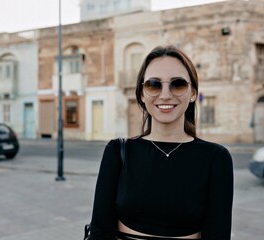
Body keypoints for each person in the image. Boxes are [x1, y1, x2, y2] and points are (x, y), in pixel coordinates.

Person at [90, 45, 234, 239]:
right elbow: (100, 232)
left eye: (178, 84)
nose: (165, 94)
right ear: (142, 94)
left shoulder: (216, 158)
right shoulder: (118, 151)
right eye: (153, 84)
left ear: (193, 93)